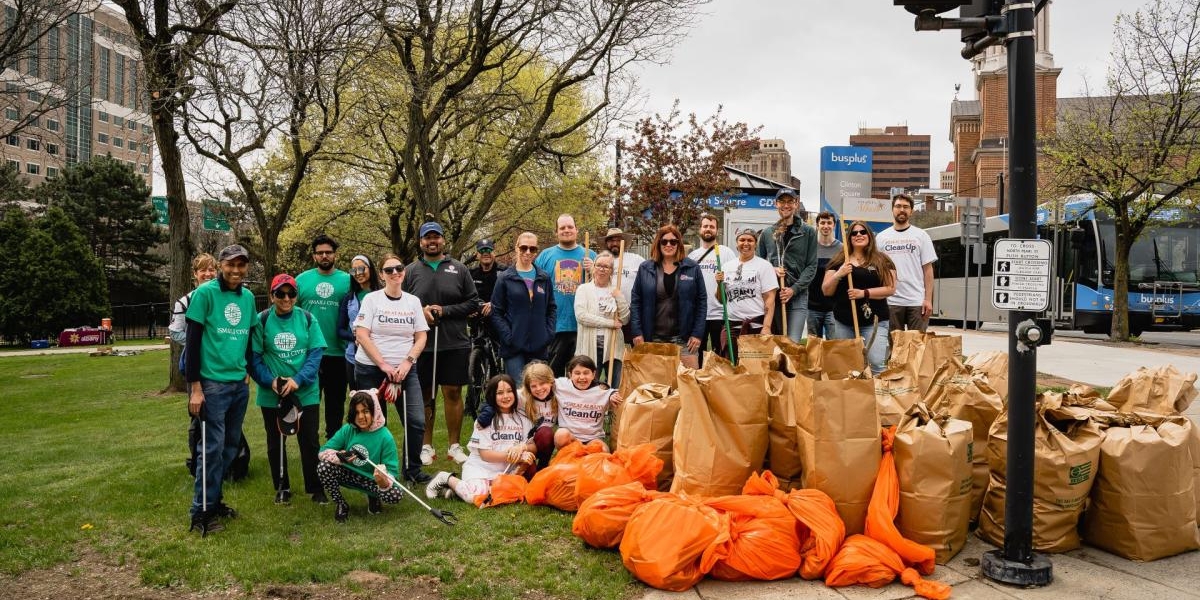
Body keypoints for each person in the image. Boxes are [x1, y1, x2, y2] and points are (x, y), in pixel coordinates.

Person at [184, 244, 259, 534]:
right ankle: (200, 513)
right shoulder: (204, 294)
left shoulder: (248, 298)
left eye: (242, 265)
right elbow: (192, 344)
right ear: (221, 265)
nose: (236, 271)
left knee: (229, 448)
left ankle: (214, 502)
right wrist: (195, 388)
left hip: (237, 385)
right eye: (231, 265)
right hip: (211, 385)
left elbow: (250, 338)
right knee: (211, 449)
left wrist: (247, 372)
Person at [403, 221, 481, 467]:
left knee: (453, 392)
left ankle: (454, 446)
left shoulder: (458, 269)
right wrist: (421, 312)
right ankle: (426, 446)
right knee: (426, 394)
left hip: (454, 342)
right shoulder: (411, 270)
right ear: (421, 242)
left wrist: (444, 310)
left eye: (436, 237)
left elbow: (472, 303)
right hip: (422, 345)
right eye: (427, 238)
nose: (432, 241)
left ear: (443, 241)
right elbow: (402, 304)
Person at [353, 253, 431, 484]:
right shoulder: (372, 299)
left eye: (399, 268)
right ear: (381, 275)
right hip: (371, 369)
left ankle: (412, 470)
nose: (395, 273)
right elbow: (362, 334)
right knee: (376, 422)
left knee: (416, 420)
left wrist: (408, 362)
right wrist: (383, 364)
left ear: (404, 271)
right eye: (389, 270)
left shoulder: (413, 301)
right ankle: (378, 472)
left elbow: (421, 336)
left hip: (405, 371)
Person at [249, 274, 327, 505]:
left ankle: (315, 488)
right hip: (272, 393)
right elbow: (254, 358)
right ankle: (282, 487)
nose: (286, 298)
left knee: (310, 441)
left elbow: (315, 354)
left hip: (305, 391)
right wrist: (270, 381)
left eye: (291, 293)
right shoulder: (261, 320)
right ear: (272, 295)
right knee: (276, 441)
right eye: (280, 293)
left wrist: (298, 379)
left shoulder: (308, 318)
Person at [425, 374, 536, 502]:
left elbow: (533, 446)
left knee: (507, 495)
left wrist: (524, 448)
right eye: (500, 393)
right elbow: (485, 455)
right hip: (480, 469)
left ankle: (451, 492)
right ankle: (445, 478)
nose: (505, 396)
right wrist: (513, 456)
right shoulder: (484, 420)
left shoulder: (523, 419)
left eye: (509, 391)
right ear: (492, 396)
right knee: (477, 497)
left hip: (505, 471)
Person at [821, 221, 897, 375]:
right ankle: (853, 397)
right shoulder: (839, 260)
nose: (859, 235)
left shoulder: (882, 260)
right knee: (847, 366)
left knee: (876, 363)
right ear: (849, 238)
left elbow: (891, 288)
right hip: (844, 321)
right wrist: (839, 274)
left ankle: (877, 397)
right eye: (854, 233)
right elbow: (826, 290)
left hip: (875, 321)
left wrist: (864, 293)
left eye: (863, 232)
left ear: (869, 235)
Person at [317, 390, 404, 523]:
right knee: (323, 467)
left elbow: (393, 472)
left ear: (374, 411)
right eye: (357, 412)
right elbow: (323, 451)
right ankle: (341, 504)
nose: (361, 417)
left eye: (366, 411)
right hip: (350, 474)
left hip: (372, 480)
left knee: (395, 495)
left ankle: (373, 497)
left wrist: (383, 480)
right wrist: (340, 457)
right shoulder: (348, 430)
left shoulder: (385, 437)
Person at [296, 234, 352, 440]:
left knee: (335, 405)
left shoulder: (348, 280)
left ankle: (333, 447)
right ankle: (309, 444)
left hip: (338, 352)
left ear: (335, 255)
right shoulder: (302, 280)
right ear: (314, 256)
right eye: (320, 253)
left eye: (328, 252)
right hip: (309, 355)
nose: (324, 256)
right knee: (308, 403)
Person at [630, 224, 707, 369]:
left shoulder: (692, 268)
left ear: (679, 244)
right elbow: (636, 302)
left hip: (685, 340)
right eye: (664, 241)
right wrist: (637, 331)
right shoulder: (645, 268)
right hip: (653, 339)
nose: (669, 245)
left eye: (673, 241)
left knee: (688, 385)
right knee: (655, 386)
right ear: (658, 244)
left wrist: (697, 333)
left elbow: (701, 302)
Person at [535, 214, 596, 376]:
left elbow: (602, 287)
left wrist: (594, 270)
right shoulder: (545, 256)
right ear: (556, 232)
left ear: (577, 230)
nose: (566, 230)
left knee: (578, 378)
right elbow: (533, 287)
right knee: (552, 378)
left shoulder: (590, 255)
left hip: (582, 327)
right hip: (555, 327)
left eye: (570, 227)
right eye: (562, 228)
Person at [491, 232, 556, 382]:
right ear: (516, 248)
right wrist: (509, 336)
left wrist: (548, 333)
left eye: (532, 249)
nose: (528, 252)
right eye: (524, 248)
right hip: (514, 347)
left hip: (539, 345)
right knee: (519, 392)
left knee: (538, 389)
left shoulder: (543, 278)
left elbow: (551, 308)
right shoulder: (505, 278)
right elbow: (496, 312)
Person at [756, 189, 818, 342]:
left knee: (792, 342)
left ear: (796, 204)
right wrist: (771, 269)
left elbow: (811, 266)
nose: (786, 205)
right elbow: (758, 264)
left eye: (790, 201)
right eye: (782, 201)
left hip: (798, 294)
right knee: (775, 341)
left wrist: (793, 289)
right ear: (776, 204)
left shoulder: (808, 232)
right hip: (773, 295)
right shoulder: (768, 233)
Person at [876, 193, 938, 332]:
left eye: (906, 207)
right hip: (891, 302)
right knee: (895, 348)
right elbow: (876, 270)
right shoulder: (881, 238)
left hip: (916, 302)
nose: (902, 210)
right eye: (898, 206)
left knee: (917, 348)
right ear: (892, 209)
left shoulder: (921, 235)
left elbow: (928, 270)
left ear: (911, 211)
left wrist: (928, 300)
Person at [713, 229, 777, 356]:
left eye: (750, 240)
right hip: (731, 326)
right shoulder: (726, 267)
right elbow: (721, 300)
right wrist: (718, 284)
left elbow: (770, 298)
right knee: (731, 368)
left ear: (755, 244)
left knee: (753, 368)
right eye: (742, 240)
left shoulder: (764, 266)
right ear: (737, 243)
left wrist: (766, 326)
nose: (746, 243)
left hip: (755, 326)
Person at [574, 251, 630, 388]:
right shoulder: (584, 289)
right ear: (593, 267)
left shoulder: (615, 291)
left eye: (606, 266)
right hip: (590, 345)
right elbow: (582, 316)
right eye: (599, 265)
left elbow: (625, 319)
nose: (602, 269)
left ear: (611, 271)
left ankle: (612, 410)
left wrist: (619, 298)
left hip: (613, 345)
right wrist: (610, 323)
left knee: (615, 386)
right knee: (590, 385)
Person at [687, 213, 737, 360]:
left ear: (717, 230)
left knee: (720, 356)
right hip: (699, 315)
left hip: (720, 313)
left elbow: (734, 279)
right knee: (697, 355)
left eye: (712, 227)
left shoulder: (726, 252)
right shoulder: (693, 256)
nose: (708, 229)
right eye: (705, 226)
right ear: (700, 229)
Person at [553, 355, 622, 451]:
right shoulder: (561, 385)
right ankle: (566, 457)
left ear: (593, 374)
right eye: (577, 373)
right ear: (570, 374)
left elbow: (615, 392)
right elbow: (543, 381)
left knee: (603, 450)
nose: (582, 377)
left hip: (592, 438)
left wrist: (613, 395)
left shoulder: (602, 391)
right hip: (570, 437)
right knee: (560, 435)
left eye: (586, 373)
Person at [336, 255, 380, 386]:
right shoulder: (349, 298)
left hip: (378, 355)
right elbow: (340, 330)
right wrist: (355, 337)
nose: (358, 273)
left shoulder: (382, 294)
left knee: (377, 399)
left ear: (370, 268)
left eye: (361, 269)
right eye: (353, 270)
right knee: (357, 398)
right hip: (353, 357)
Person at [807, 212, 843, 339]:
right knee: (813, 347)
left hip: (833, 307)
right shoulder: (810, 247)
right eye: (822, 223)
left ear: (834, 225)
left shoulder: (842, 250)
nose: (826, 226)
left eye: (829, 223)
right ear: (817, 225)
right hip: (812, 306)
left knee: (833, 346)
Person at [168, 253, 217, 347]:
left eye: (211, 270)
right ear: (195, 273)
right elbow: (175, 332)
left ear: (216, 272)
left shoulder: (225, 298)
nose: (208, 274)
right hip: (197, 358)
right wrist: (202, 344)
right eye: (203, 270)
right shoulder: (185, 302)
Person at [604, 227, 643, 305]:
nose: (615, 243)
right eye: (611, 240)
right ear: (606, 243)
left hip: (631, 309)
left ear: (624, 243)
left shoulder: (636, 259)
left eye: (618, 240)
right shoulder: (601, 261)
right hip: (607, 310)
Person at [470, 238, 500, 324]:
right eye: (482, 250)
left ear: (494, 253)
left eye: (489, 250)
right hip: (476, 323)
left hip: (499, 323)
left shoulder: (504, 272)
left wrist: (494, 305)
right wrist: (469, 308)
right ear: (477, 255)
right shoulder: (470, 274)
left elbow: (511, 296)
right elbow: (464, 296)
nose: (485, 253)